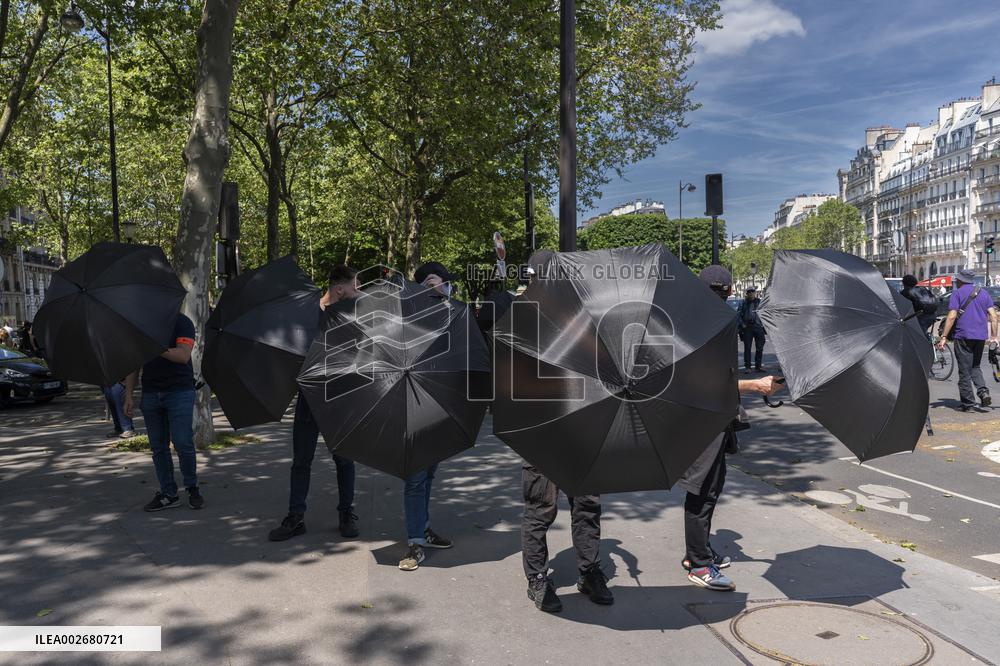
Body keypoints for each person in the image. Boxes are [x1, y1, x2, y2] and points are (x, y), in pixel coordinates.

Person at [507, 250, 612, 612]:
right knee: (540, 507)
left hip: (583, 426)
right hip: (542, 430)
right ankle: (537, 578)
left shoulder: (583, 316)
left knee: (587, 504)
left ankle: (589, 571)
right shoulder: (521, 317)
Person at [680, 265, 779, 591]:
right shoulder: (703, 325)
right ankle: (699, 565)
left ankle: (698, 552)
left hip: (714, 419)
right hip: (702, 422)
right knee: (702, 493)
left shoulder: (700, 320)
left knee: (711, 489)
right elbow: (704, 381)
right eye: (725, 292)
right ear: (729, 292)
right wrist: (754, 385)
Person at [269, 265, 362, 541]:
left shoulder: (353, 316)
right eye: (356, 287)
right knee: (301, 460)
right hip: (309, 397)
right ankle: (295, 518)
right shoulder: (306, 314)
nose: (359, 292)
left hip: (340, 397)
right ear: (339, 288)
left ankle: (347, 513)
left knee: (345, 459)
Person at [396, 261, 462, 571]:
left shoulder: (449, 313)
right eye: (437, 280)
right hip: (413, 401)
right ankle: (414, 543)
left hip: (440, 402)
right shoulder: (407, 312)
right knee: (416, 477)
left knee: (428, 473)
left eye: (445, 282)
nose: (442, 285)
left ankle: (422, 530)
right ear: (423, 283)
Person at [124, 311, 202, 511]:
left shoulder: (181, 322)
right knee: (158, 447)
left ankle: (192, 487)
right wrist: (129, 394)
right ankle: (169, 493)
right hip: (151, 393)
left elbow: (183, 355)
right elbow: (134, 363)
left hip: (179, 391)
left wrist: (154, 347)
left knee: (182, 442)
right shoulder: (141, 326)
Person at [936, 268, 999, 411]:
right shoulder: (984, 293)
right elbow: (993, 316)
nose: (956, 282)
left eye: (957, 280)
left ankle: (968, 404)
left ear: (961, 280)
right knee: (975, 366)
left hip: (963, 336)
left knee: (964, 370)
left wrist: (944, 337)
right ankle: (983, 392)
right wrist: (994, 337)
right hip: (980, 337)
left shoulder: (957, 294)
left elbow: (952, 316)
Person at [737, 287, 766, 373]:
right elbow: (738, 315)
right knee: (747, 348)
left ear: (755, 293)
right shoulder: (743, 303)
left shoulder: (760, 302)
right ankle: (748, 367)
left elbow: (765, 313)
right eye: (749, 292)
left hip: (758, 326)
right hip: (747, 327)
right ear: (747, 294)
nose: (751, 293)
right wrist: (742, 325)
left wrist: (764, 325)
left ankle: (758, 366)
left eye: (752, 292)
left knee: (760, 347)